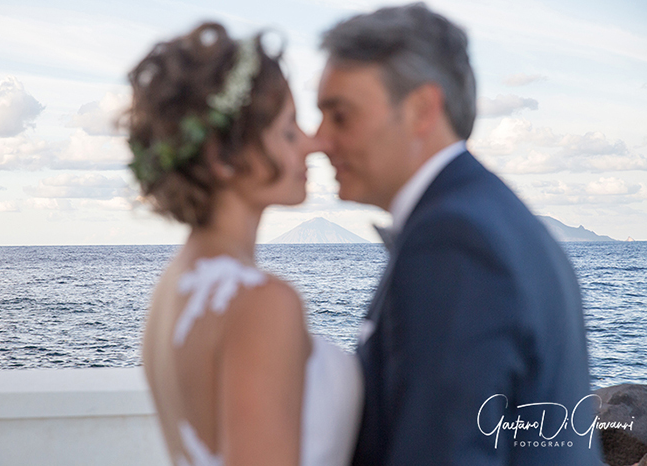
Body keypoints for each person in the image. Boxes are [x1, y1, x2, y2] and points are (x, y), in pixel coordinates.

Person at [316, 4, 603, 465]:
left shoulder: (453, 240)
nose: (319, 138)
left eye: (340, 115)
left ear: (421, 110)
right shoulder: (496, 217)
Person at [126, 23, 363, 466]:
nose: (313, 144)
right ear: (224, 156)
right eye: (289, 130)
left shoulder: (172, 287)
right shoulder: (260, 303)